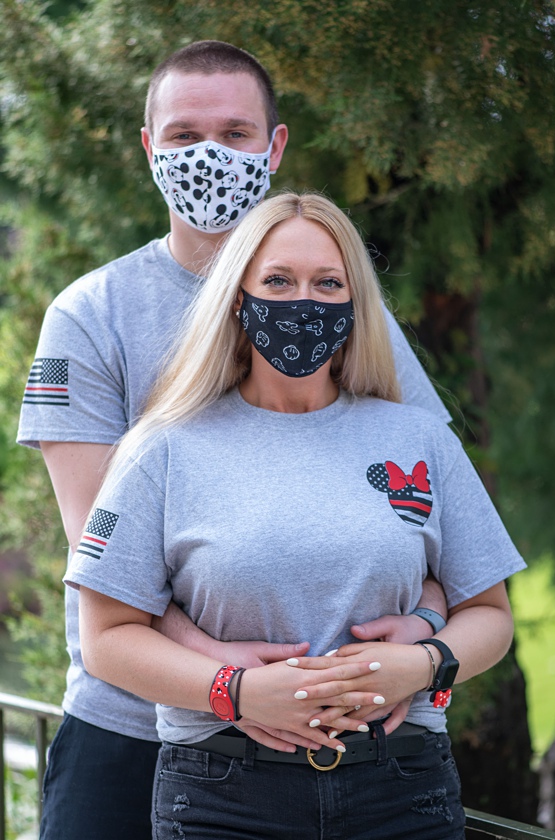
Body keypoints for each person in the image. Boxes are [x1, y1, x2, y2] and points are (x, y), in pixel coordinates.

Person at [17, 41, 451, 839]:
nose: (209, 154)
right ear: (150, 149)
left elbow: (431, 519)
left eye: (236, 132)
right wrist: (228, 684)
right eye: (183, 136)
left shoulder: (346, 311)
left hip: (318, 745)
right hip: (130, 731)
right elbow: (103, 561)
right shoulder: (90, 316)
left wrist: (419, 637)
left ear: (275, 147)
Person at [66, 190, 525, 838]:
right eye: (277, 280)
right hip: (223, 796)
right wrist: (235, 691)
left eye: (327, 282)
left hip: (401, 791)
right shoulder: (161, 449)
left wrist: (422, 663)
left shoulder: (418, 440)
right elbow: (107, 637)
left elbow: (492, 615)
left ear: (354, 303)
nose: (302, 301)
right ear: (236, 297)